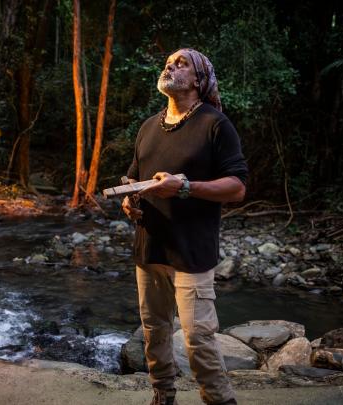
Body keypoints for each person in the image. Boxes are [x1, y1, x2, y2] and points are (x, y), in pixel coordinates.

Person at [122, 48, 248, 405]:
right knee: (154, 331)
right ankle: (163, 395)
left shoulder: (215, 124)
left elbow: (238, 187)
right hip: (149, 248)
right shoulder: (149, 126)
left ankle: (220, 400)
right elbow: (134, 178)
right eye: (168, 62)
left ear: (198, 79)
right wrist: (129, 199)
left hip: (192, 252)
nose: (170, 66)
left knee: (199, 339)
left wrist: (187, 186)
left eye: (181, 63)